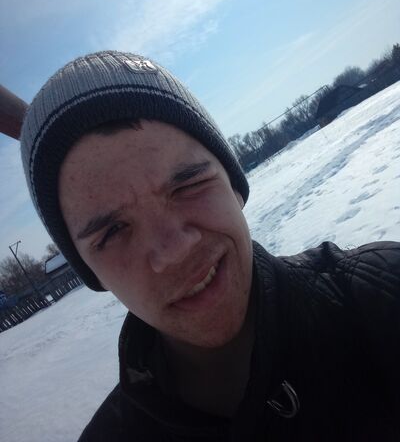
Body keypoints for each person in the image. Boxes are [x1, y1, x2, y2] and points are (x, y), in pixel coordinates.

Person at [20, 51, 399, 441]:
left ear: (234, 186)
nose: (174, 251)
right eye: (113, 231)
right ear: (90, 271)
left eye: (188, 185)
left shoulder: (382, 294)